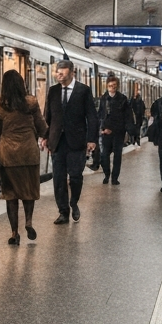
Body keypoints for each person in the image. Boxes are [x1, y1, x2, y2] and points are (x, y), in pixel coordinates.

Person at [0, 69, 47, 244]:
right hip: (29, 153)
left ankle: (14, 233)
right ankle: (29, 221)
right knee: (28, 191)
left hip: (8, 156)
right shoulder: (31, 102)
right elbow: (42, 127)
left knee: (10, 195)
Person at [40, 59, 97, 224]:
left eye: (62, 72)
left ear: (72, 73)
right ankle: (63, 211)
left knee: (75, 177)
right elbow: (47, 116)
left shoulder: (83, 91)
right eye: (57, 71)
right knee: (58, 178)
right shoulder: (53, 91)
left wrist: (92, 139)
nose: (59, 74)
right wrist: (45, 136)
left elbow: (91, 116)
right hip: (57, 141)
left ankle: (74, 202)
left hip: (76, 141)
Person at [98, 72, 131, 185]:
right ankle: (107, 173)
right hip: (106, 132)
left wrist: (128, 130)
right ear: (107, 86)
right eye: (110, 86)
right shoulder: (103, 99)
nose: (112, 88)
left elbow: (126, 116)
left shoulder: (123, 99)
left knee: (117, 156)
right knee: (104, 156)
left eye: (114, 86)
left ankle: (114, 178)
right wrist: (102, 129)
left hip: (118, 133)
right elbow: (100, 115)